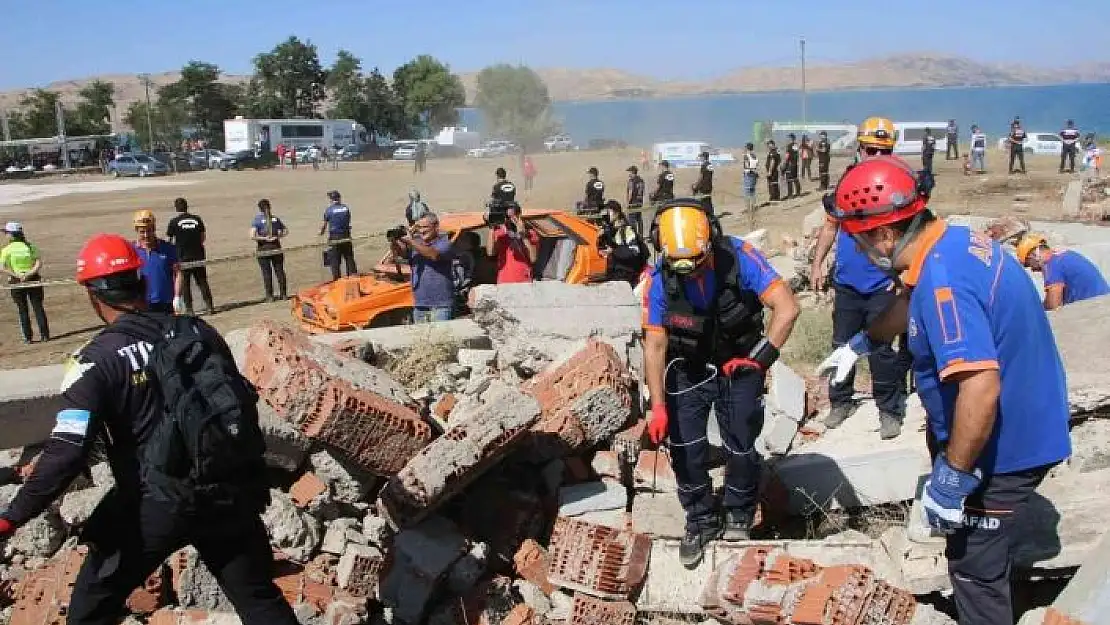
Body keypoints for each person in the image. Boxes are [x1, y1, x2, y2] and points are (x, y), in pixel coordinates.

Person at [818, 156, 1071, 625]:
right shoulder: (947, 243)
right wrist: (863, 342)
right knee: (982, 550)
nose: (855, 251)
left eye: (856, 240)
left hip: (1006, 445)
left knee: (973, 565)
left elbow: (980, 387)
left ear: (885, 236)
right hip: (1023, 419)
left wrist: (953, 477)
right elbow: (906, 300)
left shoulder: (944, 281)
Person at [0, 233, 301, 625]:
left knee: (92, 606)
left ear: (93, 296)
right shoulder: (199, 332)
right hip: (227, 491)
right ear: (141, 282)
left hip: (154, 503)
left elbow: (68, 452)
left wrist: (12, 517)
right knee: (259, 600)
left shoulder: (94, 362)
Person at [642, 200, 799, 568]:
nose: (690, 272)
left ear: (710, 241)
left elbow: (787, 308)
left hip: (738, 363)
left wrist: (758, 360)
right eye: (681, 266)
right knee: (686, 447)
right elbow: (655, 343)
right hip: (688, 366)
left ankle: (739, 514)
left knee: (741, 440)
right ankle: (699, 520)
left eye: (697, 262)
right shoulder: (659, 277)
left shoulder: (741, 257)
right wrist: (658, 406)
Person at [810, 116, 910, 439]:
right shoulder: (846, 183)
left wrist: (903, 276)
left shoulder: (898, 187)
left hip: (883, 283)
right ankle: (840, 402)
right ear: (860, 149)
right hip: (848, 284)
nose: (874, 157)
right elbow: (829, 226)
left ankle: (890, 410)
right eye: (870, 150)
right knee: (842, 344)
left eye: (882, 151)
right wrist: (817, 263)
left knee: (881, 350)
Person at [1016, 233, 1110, 309]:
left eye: (1028, 264)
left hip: (1096, 307)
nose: (1032, 270)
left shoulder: (1052, 265)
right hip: (1102, 302)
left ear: (1033, 255)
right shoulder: (1062, 256)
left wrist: (1038, 311)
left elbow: (1054, 304)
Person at [390, 212, 454, 323]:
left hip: (440, 305)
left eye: (425, 227)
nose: (421, 231)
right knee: (422, 338)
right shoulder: (416, 243)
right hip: (420, 304)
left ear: (436, 226)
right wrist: (394, 241)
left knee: (442, 338)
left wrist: (410, 241)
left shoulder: (444, 243)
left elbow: (433, 254)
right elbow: (401, 254)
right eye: (419, 227)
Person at [165, 198, 214, 316]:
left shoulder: (174, 221)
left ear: (176, 208)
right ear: (187, 206)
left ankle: (189, 309)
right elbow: (203, 237)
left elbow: (169, 240)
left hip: (182, 256)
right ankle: (209, 306)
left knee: (185, 284)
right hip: (198, 255)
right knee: (202, 281)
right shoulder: (197, 219)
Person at [1, 222, 49, 343]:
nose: (5, 235)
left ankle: (28, 338)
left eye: (6, 233)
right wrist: (29, 274)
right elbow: (38, 263)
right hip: (33, 278)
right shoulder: (30, 246)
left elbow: (2, 267)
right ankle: (45, 335)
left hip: (16, 280)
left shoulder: (6, 249)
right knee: (38, 307)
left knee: (22, 309)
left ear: (12, 235)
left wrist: (17, 275)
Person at [131, 210, 182, 314]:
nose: (146, 235)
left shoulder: (168, 248)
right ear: (137, 231)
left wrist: (177, 297)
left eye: (149, 230)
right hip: (143, 304)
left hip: (166, 303)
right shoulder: (132, 251)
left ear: (153, 229)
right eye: (142, 232)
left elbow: (177, 274)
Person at [597, 200, 648, 286]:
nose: (605, 215)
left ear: (616, 214)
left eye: (608, 212)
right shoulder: (610, 230)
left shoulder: (626, 230)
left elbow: (634, 252)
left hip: (627, 275)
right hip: (616, 273)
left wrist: (613, 251)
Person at [487, 203, 539, 284]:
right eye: (507, 217)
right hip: (504, 281)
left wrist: (523, 236)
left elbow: (533, 258)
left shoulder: (530, 233)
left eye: (512, 217)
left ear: (518, 216)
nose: (509, 220)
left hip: (523, 281)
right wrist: (491, 227)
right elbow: (490, 252)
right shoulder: (500, 233)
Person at [250, 199, 288, 302]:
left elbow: (252, 236)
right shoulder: (275, 219)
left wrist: (264, 238)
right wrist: (278, 236)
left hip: (263, 248)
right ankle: (283, 294)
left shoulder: (257, 220)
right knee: (280, 271)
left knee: (267, 273)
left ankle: (270, 296)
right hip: (276, 247)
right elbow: (285, 230)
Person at [319, 190, 358, 280]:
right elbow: (347, 222)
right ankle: (353, 277)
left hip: (335, 238)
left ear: (331, 199)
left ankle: (337, 281)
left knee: (335, 260)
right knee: (349, 258)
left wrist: (321, 233)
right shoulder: (346, 208)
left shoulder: (329, 210)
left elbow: (324, 226)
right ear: (339, 198)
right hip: (346, 236)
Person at [451, 231, 481, 317]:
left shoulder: (466, 256)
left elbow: (466, 277)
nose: (458, 240)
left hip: (461, 293)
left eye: (463, 238)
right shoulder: (454, 254)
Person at [691, 151, 715, 215]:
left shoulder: (704, 165)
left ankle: (705, 214)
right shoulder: (710, 165)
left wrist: (696, 184)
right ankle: (711, 213)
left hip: (704, 185)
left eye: (701, 157)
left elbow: (701, 176)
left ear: (704, 157)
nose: (700, 158)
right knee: (708, 200)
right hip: (709, 185)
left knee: (703, 200)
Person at [625, 165, 646, 237]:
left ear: (633, 172)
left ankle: (634, 236)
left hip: (633, 203)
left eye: (629, 172)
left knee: (631, 220)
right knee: (639, 219)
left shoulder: (631, 181)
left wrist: (628, 203)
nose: (629, 174)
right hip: (639, 202)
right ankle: (641, 235)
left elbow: (630, 192)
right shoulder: (641, 180)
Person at [741, 143, 759, 214]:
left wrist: (750, 169)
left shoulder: (746, 156)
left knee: (747, 192)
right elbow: (757, 164)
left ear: (747, 148)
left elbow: (747, 165)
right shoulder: (755, 156)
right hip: (754, 174)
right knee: (752, 192)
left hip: (748, 174)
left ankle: (748, 208)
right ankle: (753, 207)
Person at [782, 134, 801, 199]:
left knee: (789, 180)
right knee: (795, 178)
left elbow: (787, 155)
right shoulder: (795, 145)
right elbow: (797, 155)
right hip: (795, 164)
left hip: (790, 164)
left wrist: (784, 163)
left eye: (788, 138)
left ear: (791, 138)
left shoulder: (789, 146)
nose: (787, 139)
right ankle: (798, 193)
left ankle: (790, 195)